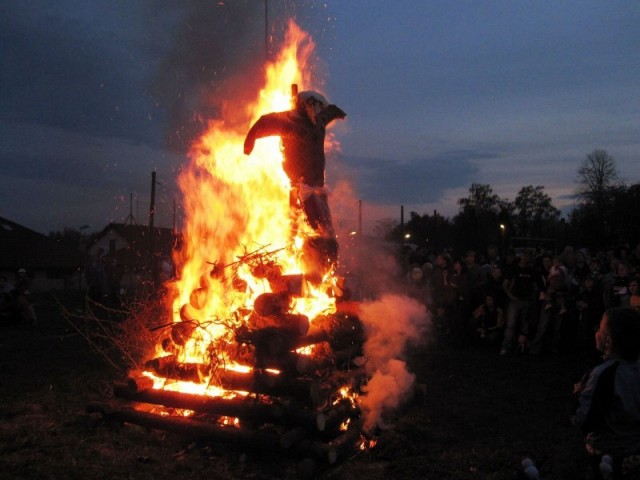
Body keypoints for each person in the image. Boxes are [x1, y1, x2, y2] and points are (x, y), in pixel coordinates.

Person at [243, 89, 346, 282]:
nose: (314, 111)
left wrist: (337, 113)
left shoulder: (320, 120)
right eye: (312, 106)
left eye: (317, 107)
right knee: (317, 229)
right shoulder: (287, 122)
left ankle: (317, 270)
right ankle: (308, 265)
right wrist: (248, 145)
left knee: (326, 232)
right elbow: (263, 124)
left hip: (316, 186)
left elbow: (333, 111)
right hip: (301, 187)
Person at [572, 306, 640, 479]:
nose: (596, 332)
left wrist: (578, 394)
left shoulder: (604, 375)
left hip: (607, 452)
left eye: (600, 329)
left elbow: (585, 419)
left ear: (608, 341)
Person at [500, 250, 538, 355]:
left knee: (524, 325)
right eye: (524, 255)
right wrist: (511, 296)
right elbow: (505, 284)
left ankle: (521, 345)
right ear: (520, 257)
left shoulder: (531, 271)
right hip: (515, 301)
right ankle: (506, 346)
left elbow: (534, 286)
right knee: (511, 324)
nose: (526, 258)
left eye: (527, 256)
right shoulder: (514, 269)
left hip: (526, 300)